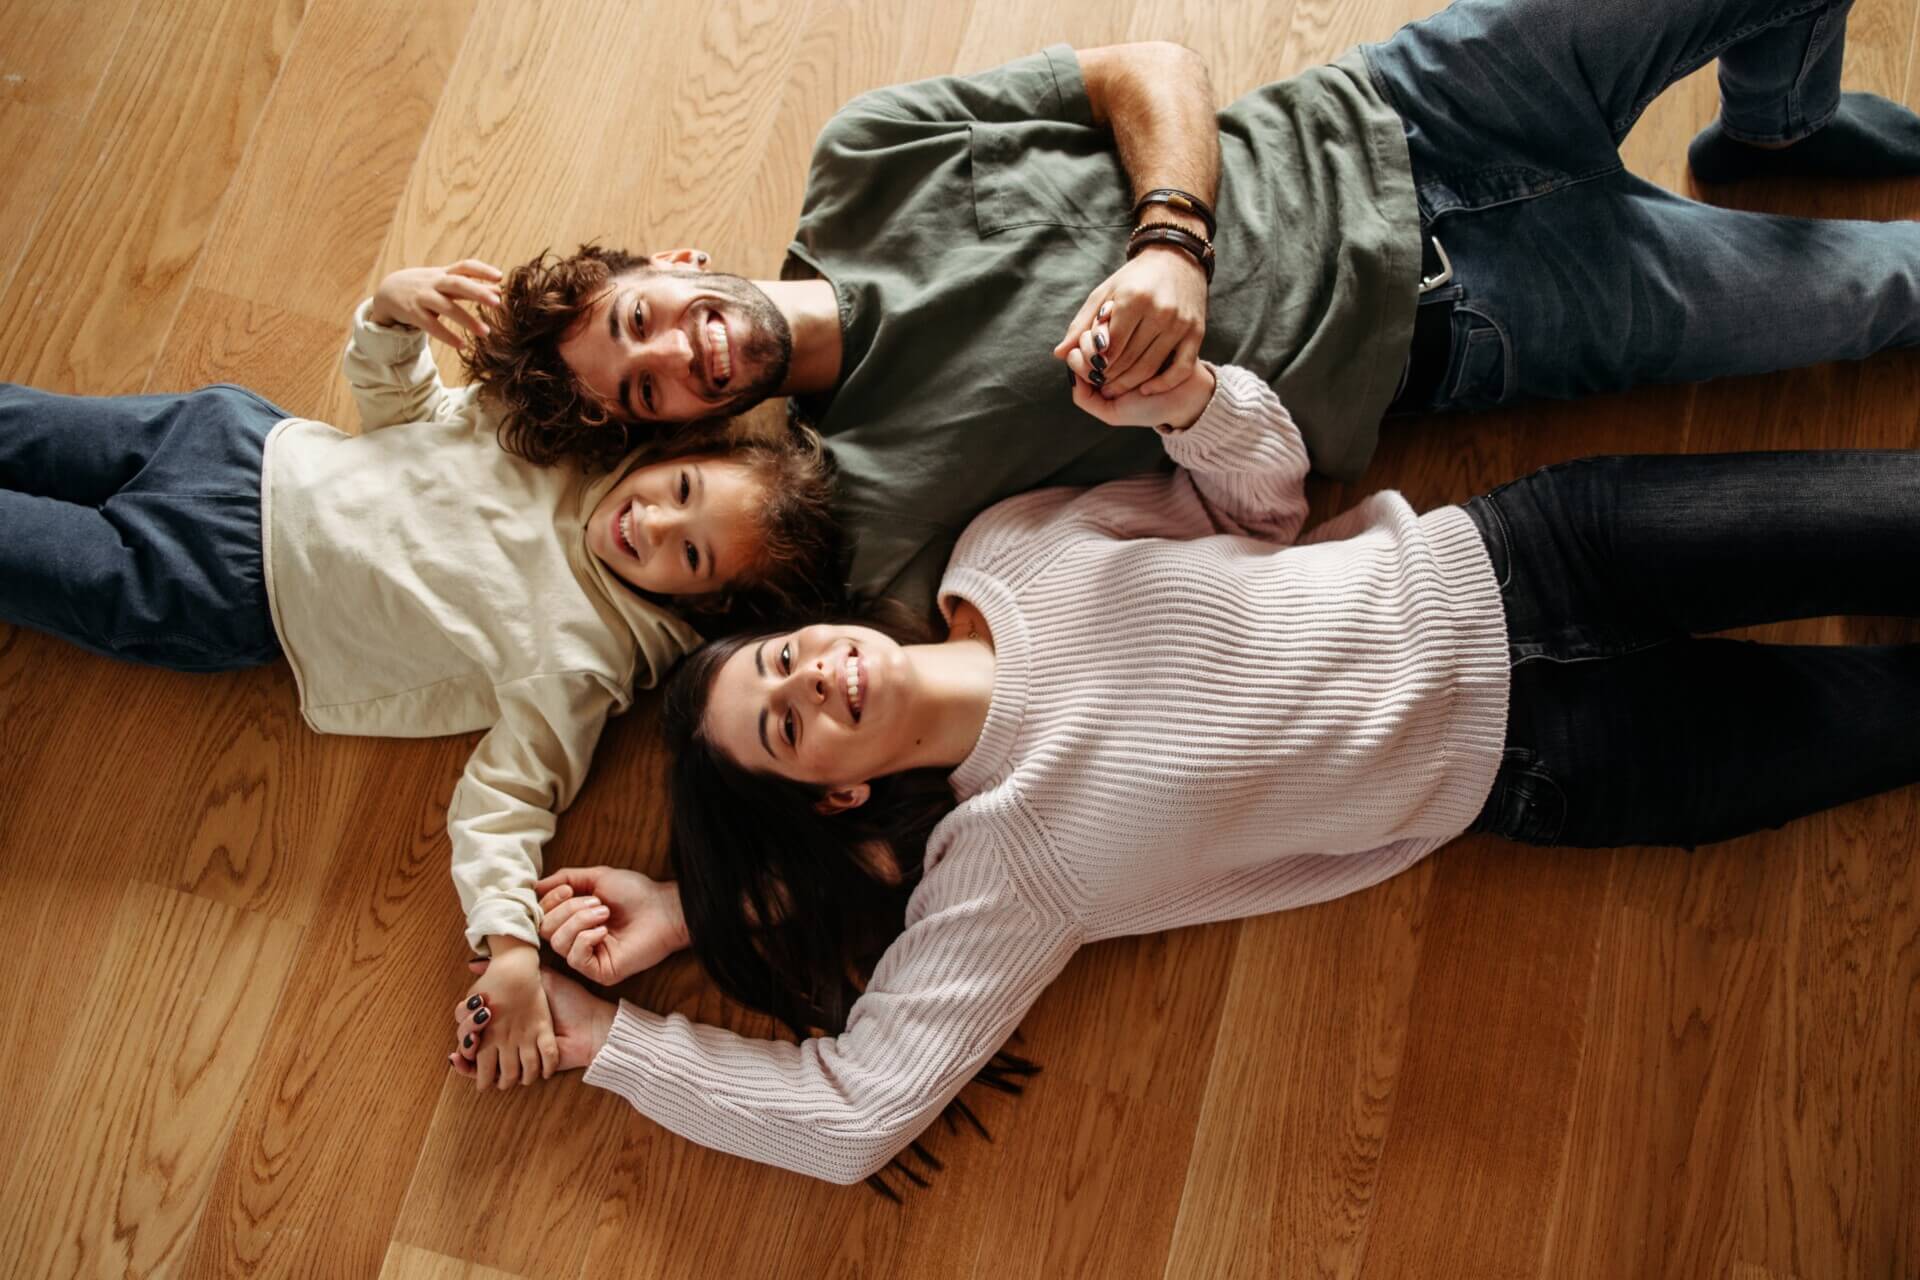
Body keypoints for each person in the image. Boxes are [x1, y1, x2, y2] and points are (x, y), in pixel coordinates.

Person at [454, 360, 1920, 1186]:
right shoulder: (1006, 868)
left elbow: (1261, 497)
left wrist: (1189, 392)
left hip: (1536, 549)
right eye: (789, 729)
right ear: (836, 793)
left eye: (784, 663)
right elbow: (853, 1121)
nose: (814, 683)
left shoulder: (1005, 550)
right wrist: (612, 1038)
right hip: (1559, 765)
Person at [464, 0, 1920, 608]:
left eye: (639, 320)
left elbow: (1142, 69)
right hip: (1469, 318)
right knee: (1890, 300)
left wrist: (1171, 239)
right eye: (644, 392)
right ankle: (1780, 155)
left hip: (1406, 110)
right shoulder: (877, 511)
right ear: (671, 434)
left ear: (670, 260)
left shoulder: (865, 155)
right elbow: (663, 635)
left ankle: (1774, 135)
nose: (677, 352)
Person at [0, 261, 842, 1092]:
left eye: (689, 553)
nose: (652, 522)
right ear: (680, 451)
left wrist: (510, 948)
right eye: (681, 488)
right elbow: (408, 413)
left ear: (702, 604)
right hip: (237, 444)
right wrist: (389, 316)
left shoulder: (583, 666)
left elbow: (507, 806)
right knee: (20, 426)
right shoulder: (561, 443)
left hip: (214, 592)